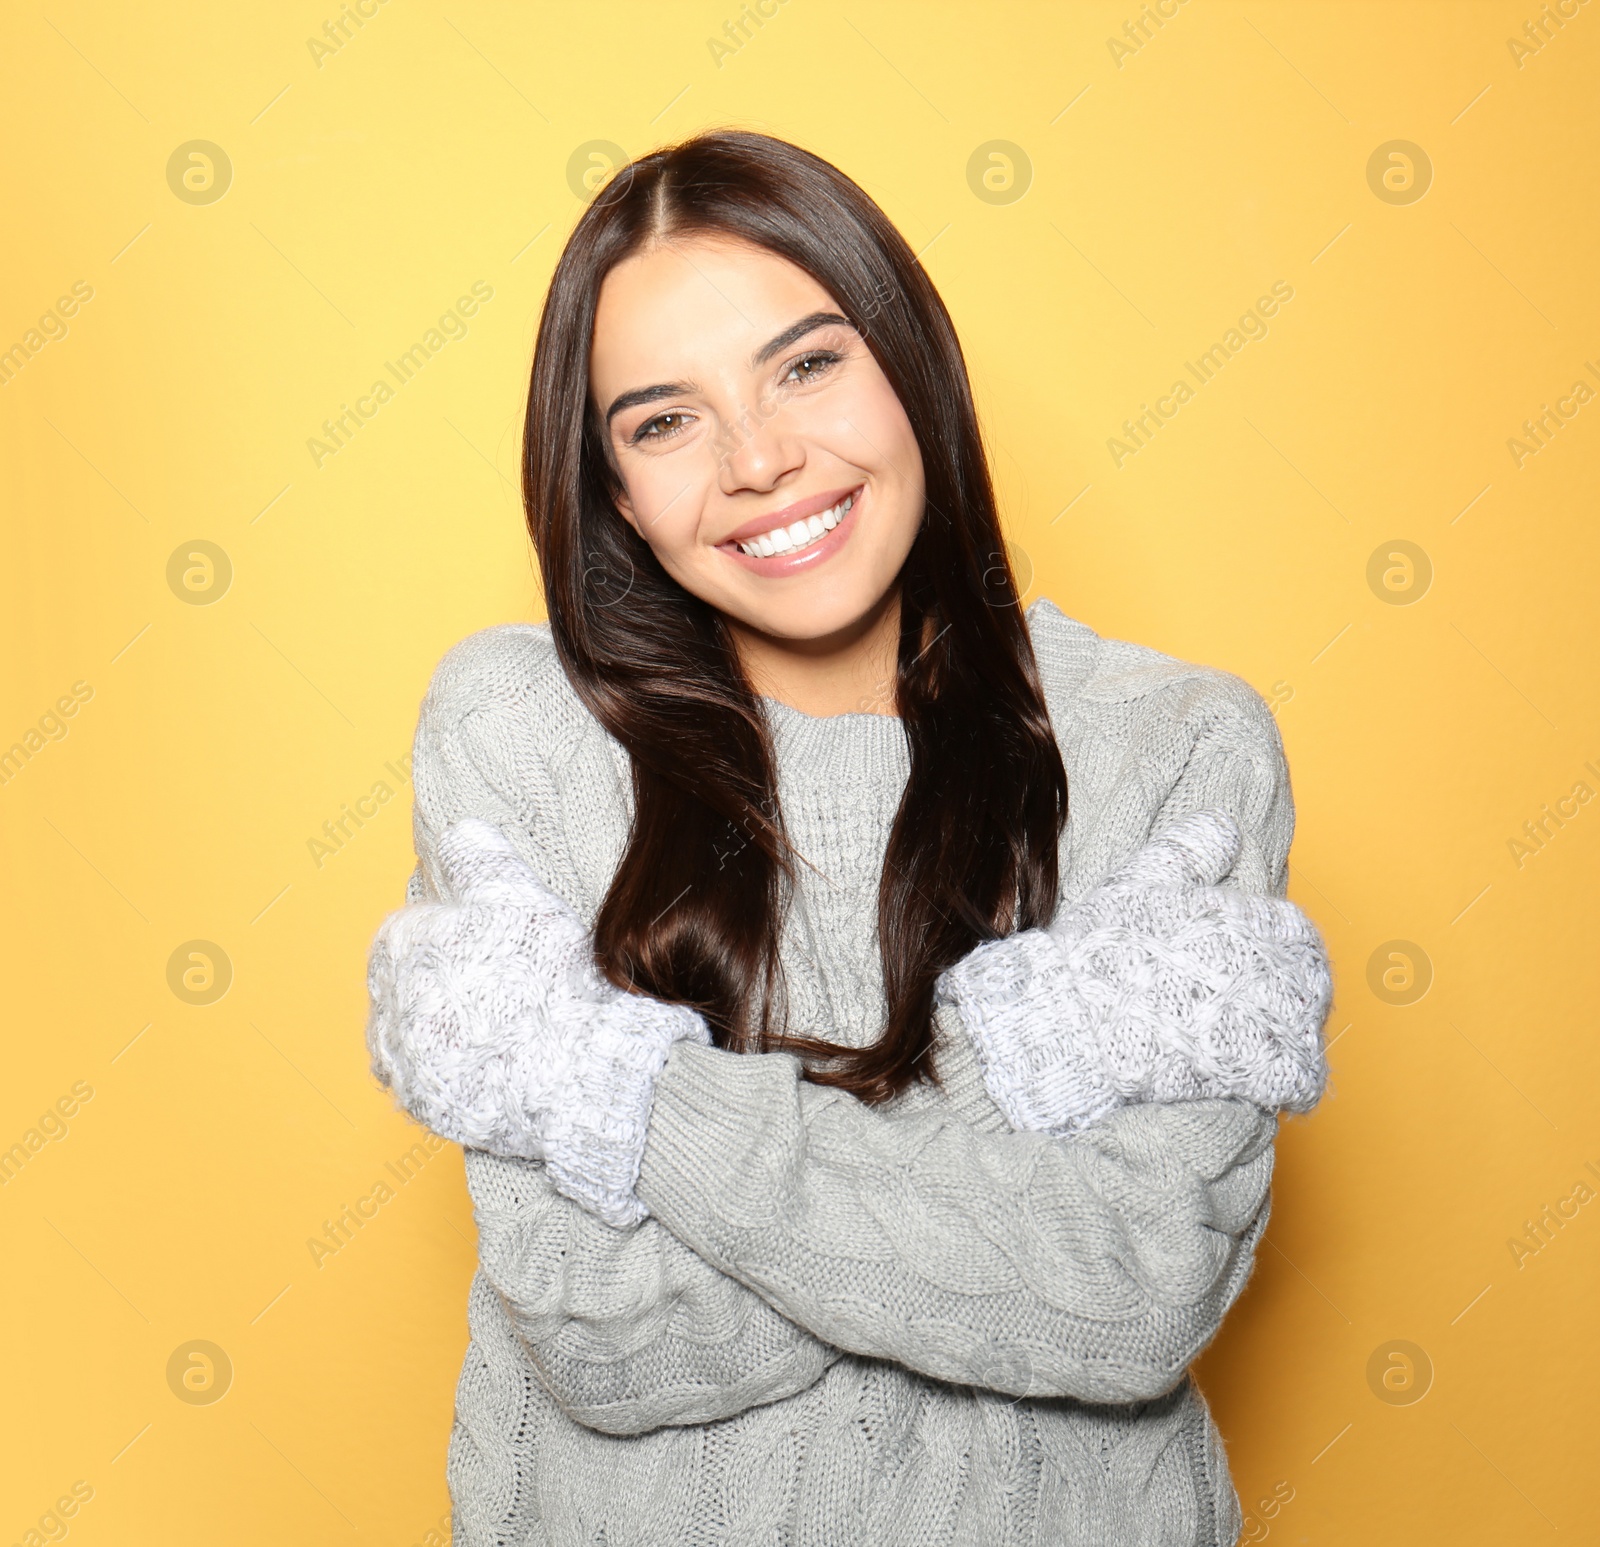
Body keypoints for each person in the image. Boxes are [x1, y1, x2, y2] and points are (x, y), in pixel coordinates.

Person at [363, 130, 1333, 1547]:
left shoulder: (1176, 748)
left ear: (910, 367)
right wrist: (1011, 1090)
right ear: (615, 495)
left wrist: (619, 1096)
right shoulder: (522, 737)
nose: (760, 459)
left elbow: (1132, 1293)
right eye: (662, 421)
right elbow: (605, 1331)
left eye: (808, 364)